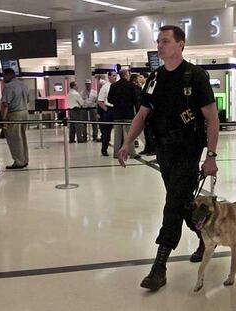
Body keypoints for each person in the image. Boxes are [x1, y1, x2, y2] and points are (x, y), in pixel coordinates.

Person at [117, 25, 219, 291]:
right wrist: (127, 142)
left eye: (165, 41)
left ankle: (159, 267)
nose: (160, 46)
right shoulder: (154, 78)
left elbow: (212, 118)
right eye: (158, 42)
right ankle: (204, 237)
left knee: (172, 204)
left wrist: (211, 155)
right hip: (164, 151)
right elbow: (141, 115)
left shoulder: (195, 76)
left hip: (188, 149)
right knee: (183, 202)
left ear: (181, 44)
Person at [0, 68, 29, 169]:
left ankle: (18, 161)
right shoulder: (23, 85)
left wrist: (3, 118)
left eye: (4, 76)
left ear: (9, 75)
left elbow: (5, 104)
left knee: (14, 138)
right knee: (22, 136)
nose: (3, 78)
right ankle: (25, 159)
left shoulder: (8, 87)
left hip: (14, 113)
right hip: (25, 112)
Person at [108, 69, 139, 158]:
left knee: (117, 135)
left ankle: (116, 153)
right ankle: (132, 153)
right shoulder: (131, 86)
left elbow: (110, 99)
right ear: (125, 75)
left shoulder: (114, 86)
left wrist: (117, 103)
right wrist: (137, 112)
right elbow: (135, 100)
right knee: (130, 134)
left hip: (117, 113)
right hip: (128, 113)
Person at [97, 71, 117, 156]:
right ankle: (104, 149)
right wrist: (106, 110)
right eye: (113, 76)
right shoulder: (105, 87)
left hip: (117, 109)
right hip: (108, 109)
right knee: (107, 132)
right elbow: (100, 101)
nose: (115, 77)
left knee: (119, 130)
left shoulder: (117, 86)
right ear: (109, 77)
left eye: (116, 75)